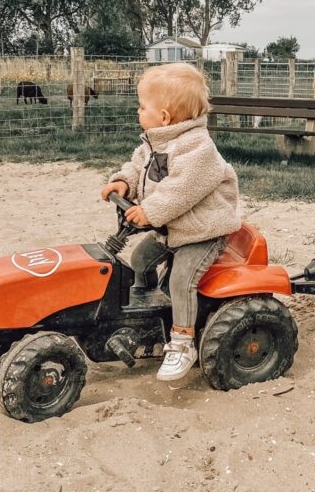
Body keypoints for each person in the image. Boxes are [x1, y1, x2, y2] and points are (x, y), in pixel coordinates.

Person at [101, 63, 241, 381]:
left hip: (204, 230)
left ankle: (182, 343)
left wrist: (150, 211)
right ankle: (147, 311)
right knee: (138, 259)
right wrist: (124, 182)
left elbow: (181, 190)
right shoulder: (157, 140)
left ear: (164, 116)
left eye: (142, 107)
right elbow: (139, 164)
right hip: (173, 228)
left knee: (181, 280)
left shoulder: (199, 149)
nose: (138, 111)